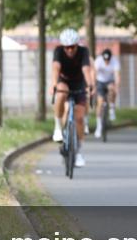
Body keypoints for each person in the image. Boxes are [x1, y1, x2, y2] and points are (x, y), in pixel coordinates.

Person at [50, 28, 94, 168]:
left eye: (72, 47)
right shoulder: (58, 51)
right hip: (64, 81)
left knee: (79, 118)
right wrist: (54, 84)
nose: (69, 50)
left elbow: (86, 69)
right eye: (67, 47)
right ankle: (57, 127)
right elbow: (56, 68)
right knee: (62, 93)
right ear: (63, 46)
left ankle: (78, 151)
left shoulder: (83, 51)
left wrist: (90, 85)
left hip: (79, 82)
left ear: (77, 45)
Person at [93, 48, 119, 138]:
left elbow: (117, 75)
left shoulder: (115, 61)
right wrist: (94, 85)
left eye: (108, 60)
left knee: (112, 89)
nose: (107, 62)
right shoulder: (98, 61)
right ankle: (99, 126)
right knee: (100, 103)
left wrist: (117, 87)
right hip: (100, 81)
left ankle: (112, 108)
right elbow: (94, 73)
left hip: (109, 81)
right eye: (105, 60)